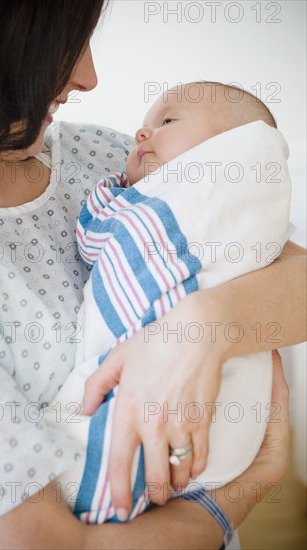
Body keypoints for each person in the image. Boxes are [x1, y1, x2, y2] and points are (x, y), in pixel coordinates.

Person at [0, 2, 305, 548]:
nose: (89, 75)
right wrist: (246, 488)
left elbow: (289, 268)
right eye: (60, 41)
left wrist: (206, 324)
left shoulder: (110, 160)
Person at [45, 81, 291, 523]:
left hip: (220, 407)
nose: (141, 133)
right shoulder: (144, 192)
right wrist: (266, 470)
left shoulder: (230, 201)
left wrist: (207, 318)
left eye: (168, 121)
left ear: (228, 151)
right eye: (146, 124)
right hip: (215, 477)